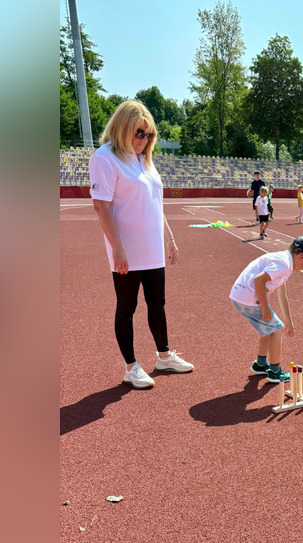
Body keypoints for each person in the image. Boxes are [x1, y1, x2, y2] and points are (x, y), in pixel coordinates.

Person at [89, 100, 194, 389]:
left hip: (152, 249)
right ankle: (131, 366)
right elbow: (101, 206)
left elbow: (155, 204)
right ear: (122, 128)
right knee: (127, 307)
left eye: (148, 135)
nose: (144, 140)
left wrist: (169, 237)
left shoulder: (143, 160)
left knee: (157, 304)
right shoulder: (105, 158)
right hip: (127, 250)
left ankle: (163, 356)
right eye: (138, 133)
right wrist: (117, 249)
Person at [229, 237, 303, 384]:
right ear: (302, 257)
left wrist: (289, 322)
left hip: (241, 296)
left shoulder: (286, 263)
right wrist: (265, 308)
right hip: (247, 298)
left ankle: (260, 364)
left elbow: (282, 295)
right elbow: (258, 281)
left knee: (268, 328)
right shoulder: (283, 264)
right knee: (276, 329)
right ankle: (275, 371)